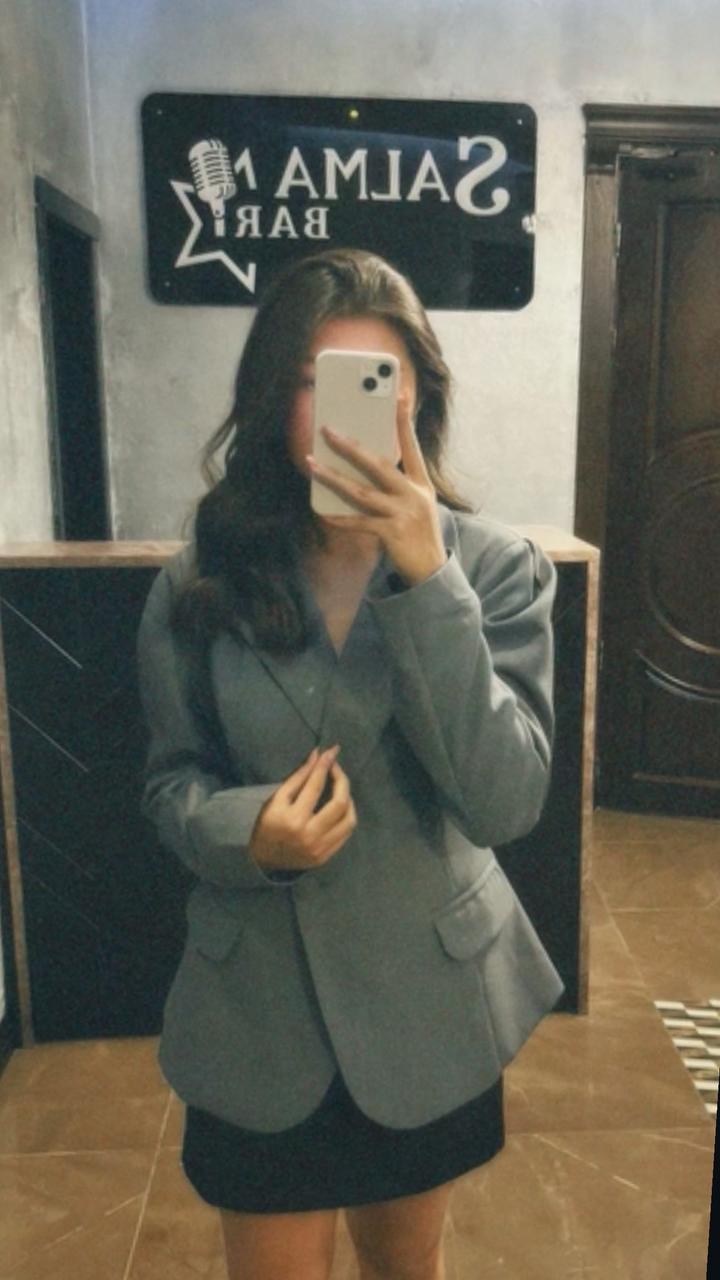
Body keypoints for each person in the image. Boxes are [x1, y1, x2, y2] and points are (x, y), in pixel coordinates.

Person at [137, 247, 565, 1280]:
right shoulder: (201, 579)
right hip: (258, 1016)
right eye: (309, 382)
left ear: (416, 397)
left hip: (426, 1001)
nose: (337, 415)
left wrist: (427, 580)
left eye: (375, 381)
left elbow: (505, 800)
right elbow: (170, 783)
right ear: (268, 400)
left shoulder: (494, 568)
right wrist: (249, 833)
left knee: (406, 1267)